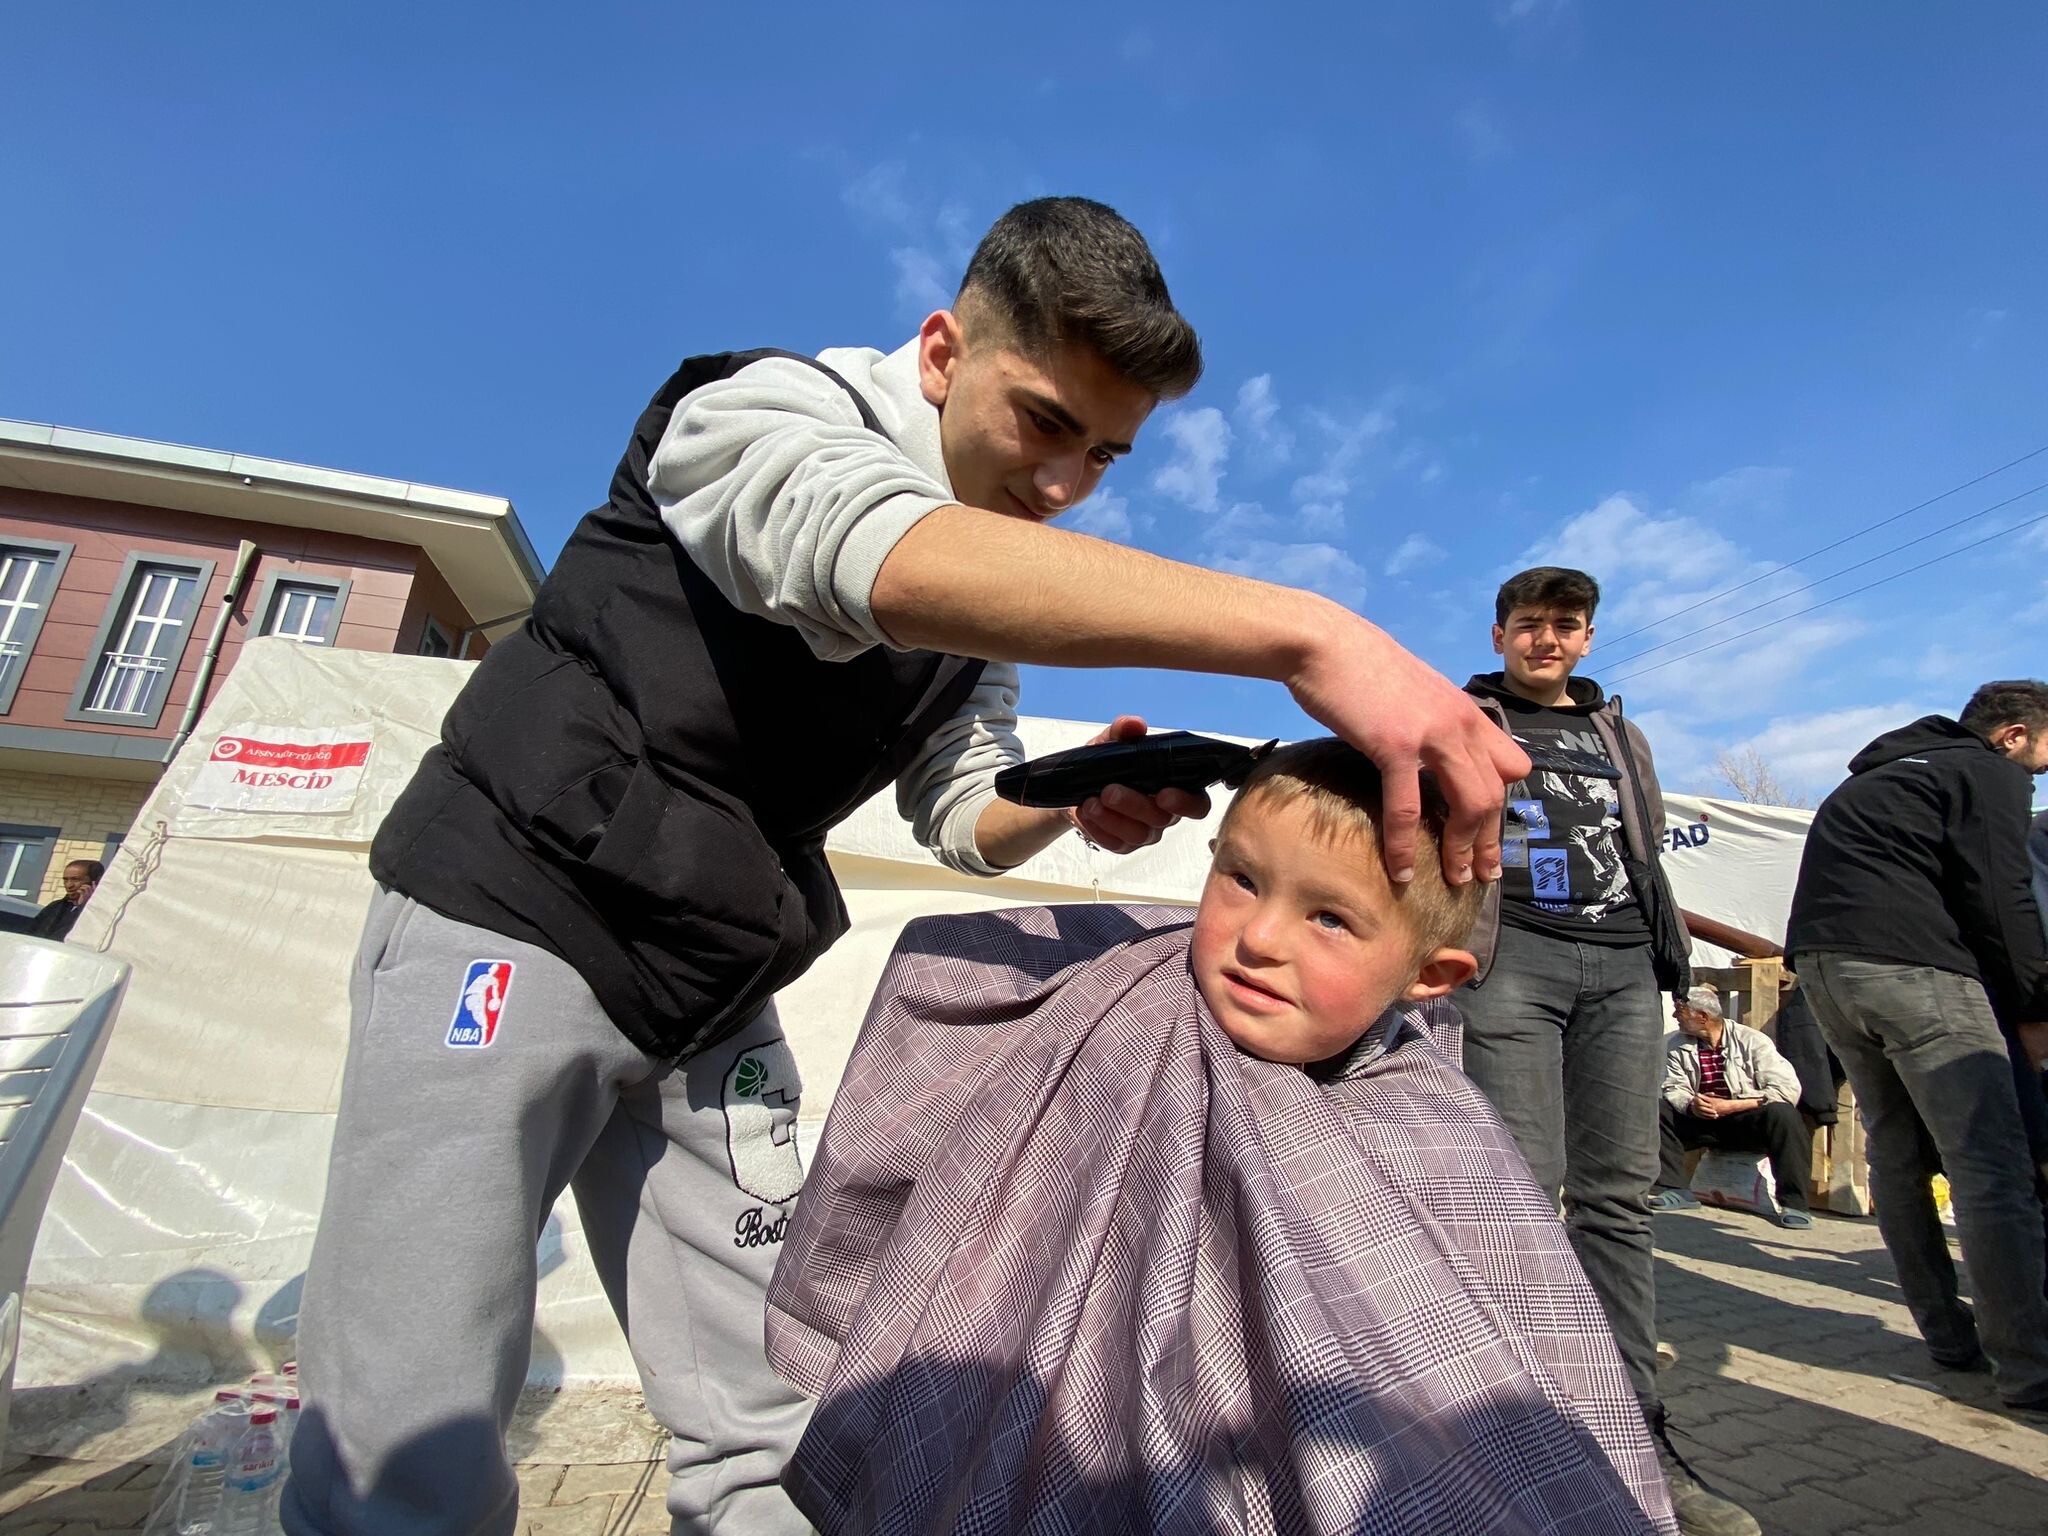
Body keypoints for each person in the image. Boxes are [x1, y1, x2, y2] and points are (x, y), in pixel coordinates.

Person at [282, 198, 1529, 1536]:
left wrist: (1067, 798)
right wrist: (1308, 636)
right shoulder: (757, 412)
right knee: (410, 1418)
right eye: (1045, 423)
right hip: (510, 915)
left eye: (1103, 455)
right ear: (942, 351)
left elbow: (960, 810)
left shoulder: (977, 611)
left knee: (775, 1397)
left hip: (705, 984)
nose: (1064, 486)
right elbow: (856, 552)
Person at [766, 741, 1676, 1534]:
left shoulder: (1442, 1127)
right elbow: (947, 993)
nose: (1260, 938)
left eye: (1330, 918)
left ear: (1430, 976)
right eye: (1241, 879)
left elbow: (1507, 1340)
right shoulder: (1121, 1011)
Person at [1454, 566, 1757, 1536]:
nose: (1545, 639)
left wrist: (1668, 956)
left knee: (1619, 1200)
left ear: (1587, 638)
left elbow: (1645, 845)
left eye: (1565, 624)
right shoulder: (1459, 718)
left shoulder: (1616, 734)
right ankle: (1511, 1435)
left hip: (1625, 968)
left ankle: (1637, 1439)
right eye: (1528, 624)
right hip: (1512, 958)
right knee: (1521, 1189)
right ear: (1498, 635)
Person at [1787, 680, 2048, 1411]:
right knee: (1991, 1166)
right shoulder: (1987, 772)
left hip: (1826, 970)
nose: (2040, 773)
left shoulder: (1879, 777)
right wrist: (2034, 1007)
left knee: (1898, 1159)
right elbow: (2002, 896)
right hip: (1916, 969)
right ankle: (2032, 1366)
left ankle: (1949, 1339)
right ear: (2013, 736)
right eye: (2044, 756)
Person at [1650, 985, 1812, 1228]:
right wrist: (1692, 1104)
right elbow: (1673, 1086)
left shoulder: (1753, 1041)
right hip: (1705, 1121)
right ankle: (1675, 1189)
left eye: (1680, 1011)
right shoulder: (1677, 1044)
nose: (1675, 1016)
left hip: (1745, 1120)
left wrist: (1732, 1105)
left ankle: (1795, 1204)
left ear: (1702, 1016)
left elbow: (1786, 1089)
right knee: (1658, 1110)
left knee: (1784, 1115)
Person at [28, 859, 101, 941]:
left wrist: (82, 907)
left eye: (75, 879)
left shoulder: (98, 914)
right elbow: (30, 934)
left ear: (94, 883)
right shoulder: (54, 907)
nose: (69, 885)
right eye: (65, 880)